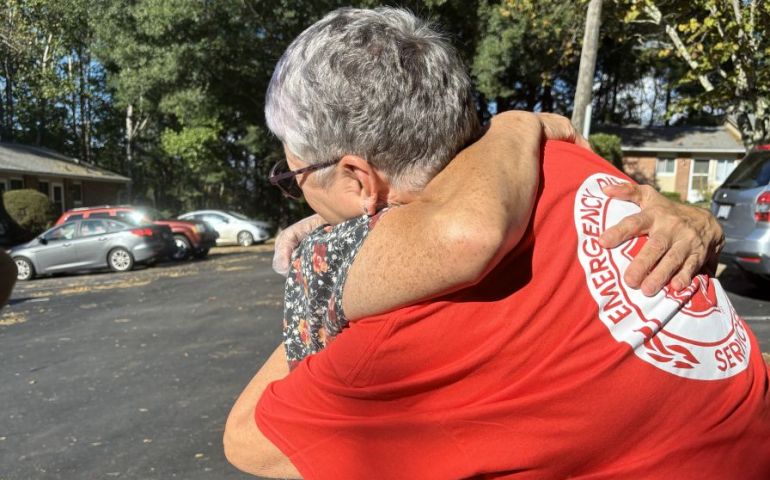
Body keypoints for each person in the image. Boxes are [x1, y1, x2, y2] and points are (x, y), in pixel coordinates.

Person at [224, 7, 770, 479]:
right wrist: (517, 124)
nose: (296, 194)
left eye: (292, 176)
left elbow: (247, 439)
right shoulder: (568, 158)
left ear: (359, 180)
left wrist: (330, 278)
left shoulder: (400, 335)